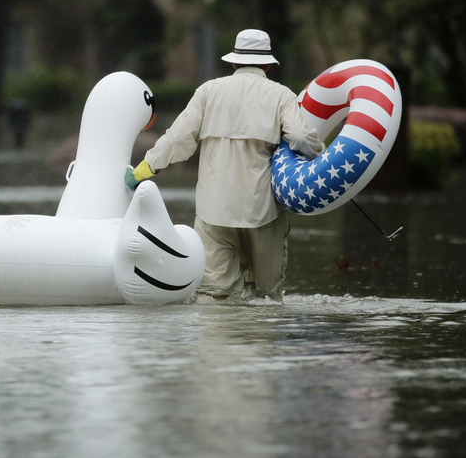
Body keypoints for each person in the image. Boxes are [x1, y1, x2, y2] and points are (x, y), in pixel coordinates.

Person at [125, 29, 325, 302]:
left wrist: (142, 171)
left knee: (212, 295)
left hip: (213, 212)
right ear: (268, 64)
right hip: (262, 211)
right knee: (267, 297)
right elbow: (301, 137)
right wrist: (321, 159)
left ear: (233, 62)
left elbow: (176, 139)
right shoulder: (282, 96)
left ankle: (215, 343)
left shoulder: (208, 91)